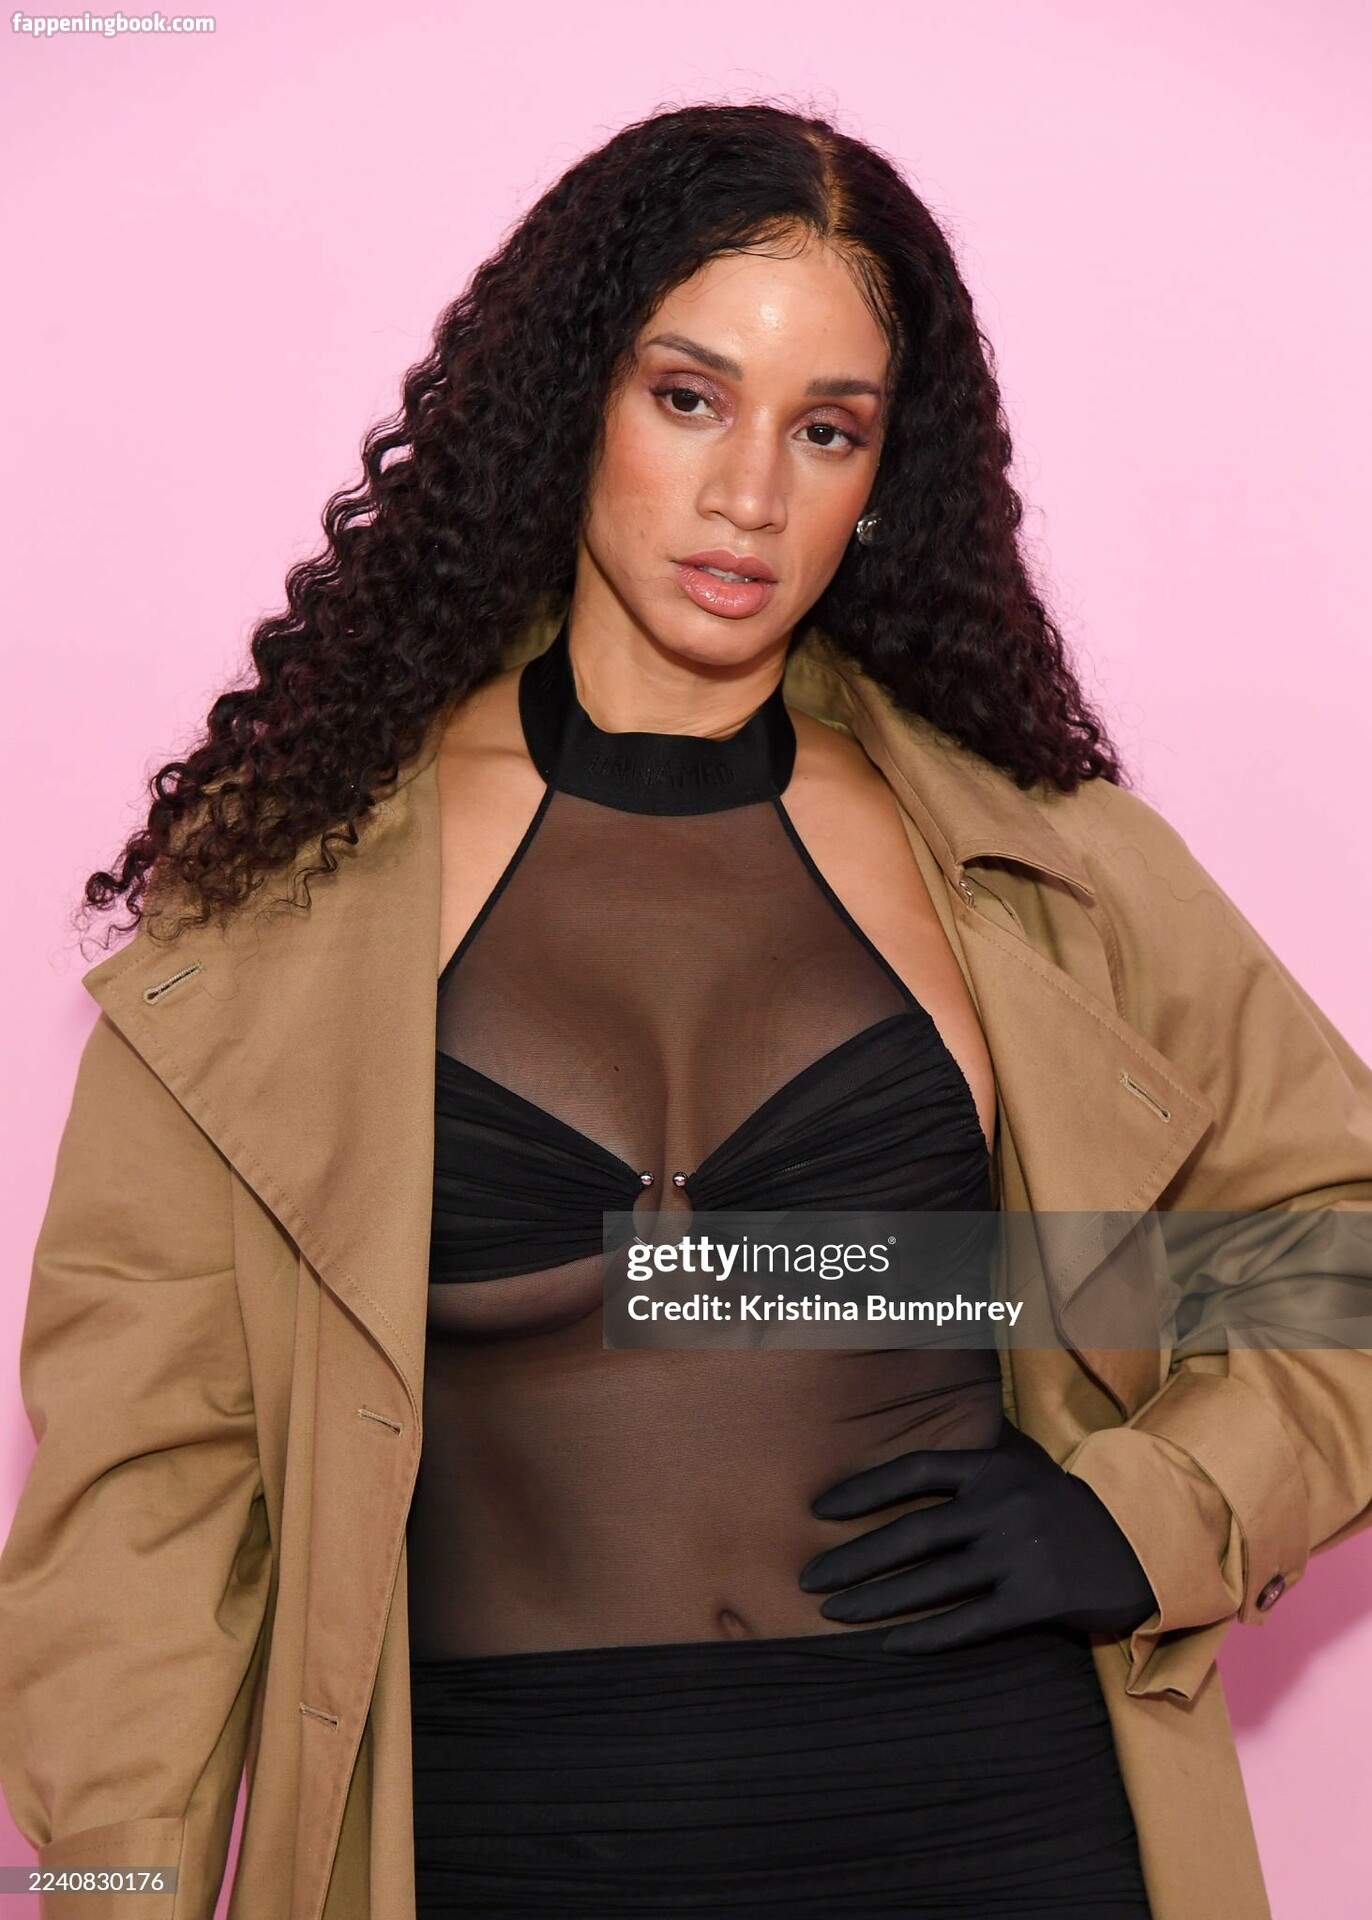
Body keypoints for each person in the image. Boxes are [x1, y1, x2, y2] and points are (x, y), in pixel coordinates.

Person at [0, 101, 1369, 1920]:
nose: (750, 498)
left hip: (999, 1824)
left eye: (826, 430)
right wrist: (110, 1897)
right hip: (499, 1844)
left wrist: (1150, 1510)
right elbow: (142, 1517)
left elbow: (1335, 1256)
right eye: (688, 397)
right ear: (571, 401)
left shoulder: (1041, 864)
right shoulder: (285, 890)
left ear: (883, 476)